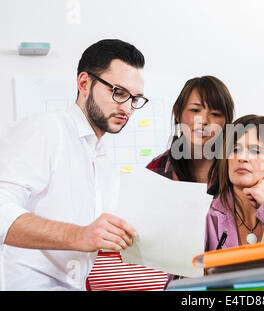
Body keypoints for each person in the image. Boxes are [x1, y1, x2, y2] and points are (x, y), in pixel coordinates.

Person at [0, 39, 148, 290]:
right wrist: (79, 235)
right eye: (119, 93)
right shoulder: (45, 129)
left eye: (135, 99)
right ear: (84, 83)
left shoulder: (106, 162)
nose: (127, 108)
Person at [205, 115, 264, 251]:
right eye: (235, 149)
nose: (241, 157)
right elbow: (178, 270)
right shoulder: (205, 216)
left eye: (255, 151)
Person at [146, 75, 235, 195]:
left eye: (215, 114)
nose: (204, 121)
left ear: (226, 122)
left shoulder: (239, 167)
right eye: (195, 110)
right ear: (178, 113)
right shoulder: (156, 170)